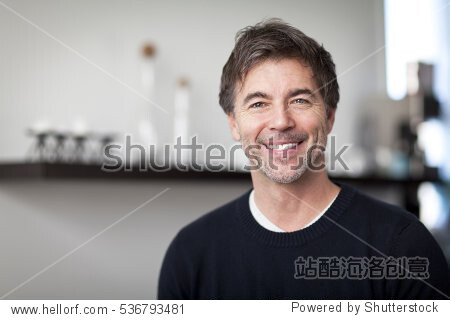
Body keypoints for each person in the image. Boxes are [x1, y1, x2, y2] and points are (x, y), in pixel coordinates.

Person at [158, 18, 450, 299]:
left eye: (300, 100)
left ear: (330, 116)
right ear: (234, 124)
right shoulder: (190, 254)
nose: (281, 121)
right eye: (258, 103)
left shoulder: (403, 245)